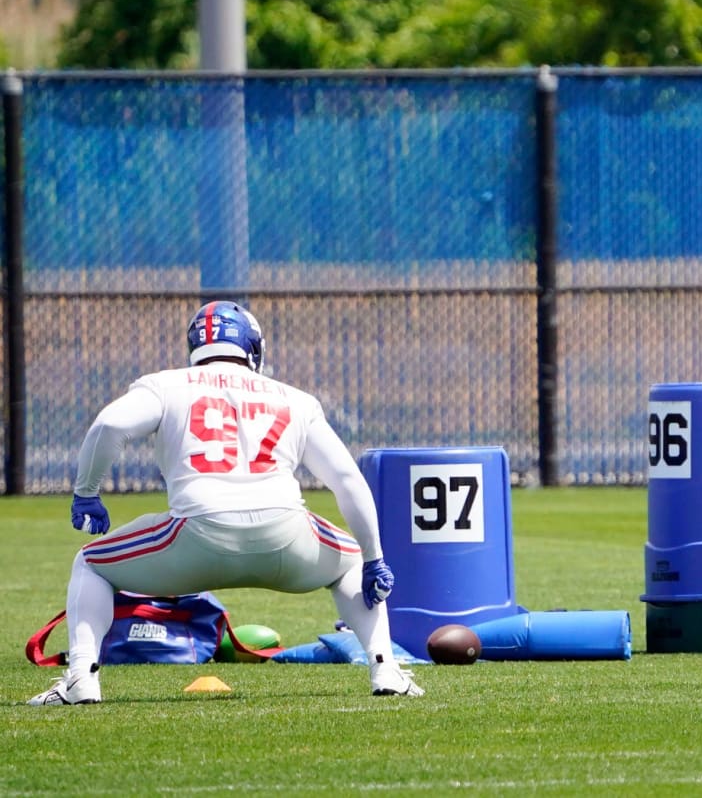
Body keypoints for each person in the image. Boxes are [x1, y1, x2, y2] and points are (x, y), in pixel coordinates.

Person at [29, 301, 424, 705]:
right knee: (352, 562)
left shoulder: (165, 384)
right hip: (286, 537)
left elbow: (110, 425)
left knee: (91, 563)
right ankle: (386, 670)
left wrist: (87, 490)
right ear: (253, 347)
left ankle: (81, 679)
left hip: (194, 535)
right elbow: (346, 479)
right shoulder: (295, 399)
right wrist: (374, 557)